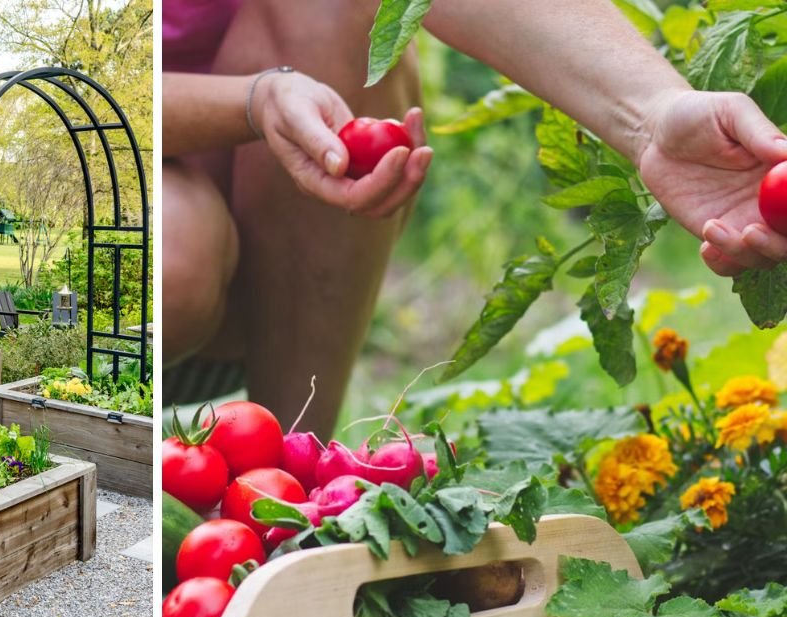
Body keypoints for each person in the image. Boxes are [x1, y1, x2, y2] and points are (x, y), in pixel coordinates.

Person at [162, 0, 787, 439]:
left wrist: (654, 113)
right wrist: (255, 99)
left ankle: (292, 479)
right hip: (165, 229)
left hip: (249, 258)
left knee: (330, 9)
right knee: (171, 266)